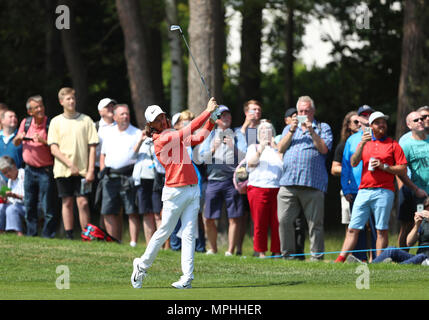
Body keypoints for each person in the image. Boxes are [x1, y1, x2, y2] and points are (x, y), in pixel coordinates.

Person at [131, 97, 218, 290]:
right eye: (157, 120)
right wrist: (207, 111)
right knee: (164, 231)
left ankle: (187, 278)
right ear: (151, 126)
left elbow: (199, 137)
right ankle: (142, 265)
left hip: (192, 189)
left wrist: (212, 121)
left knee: (188, 234)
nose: (162, 121)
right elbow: (189, 130)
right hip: (174, 191)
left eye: (162, 117)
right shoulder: (161, 139)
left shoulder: (172, 133)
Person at [335, 111, 407, 262]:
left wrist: (385, 167)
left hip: (384, 191)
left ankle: (378, 261)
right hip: (363, 190)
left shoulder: (393, 144)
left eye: (384, 122)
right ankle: (340, 259)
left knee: (381, 230)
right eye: (378, 122)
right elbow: (354, 162)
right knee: (353, 227)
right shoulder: (364, 143)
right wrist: (362, 144)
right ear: (371, 126)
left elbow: (402, 168)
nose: (382, 125)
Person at [277, 96, 333, 261]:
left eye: (306, 111)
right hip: (288, 182)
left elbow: (324, 149)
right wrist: (292, 130)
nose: (303, 114)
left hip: (312, 183)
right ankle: (287, 256)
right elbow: (280, 148)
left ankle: (316, 257)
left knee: (315, 224)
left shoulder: (323, 128)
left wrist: (311, 131)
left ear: (313, 111)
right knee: (284, 220)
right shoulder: (289, 129)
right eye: (300, 111)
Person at [47, 87, 99, 240]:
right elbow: (54, 149)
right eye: (68, 99)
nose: (71, 101)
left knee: (83, 202)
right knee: (67, 202)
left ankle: (86, 235)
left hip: (83, 170)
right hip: (63, 170)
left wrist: (90, 170)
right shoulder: (56, 122)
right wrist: (70, 164)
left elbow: (93, 147)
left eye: (73, 99)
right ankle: (69, 235)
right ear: (61, 102)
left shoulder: (86, 120)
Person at [199, 105, 245, 256]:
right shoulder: (210, 136)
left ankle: (230, 251)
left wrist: (232, 147)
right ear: (217, 120)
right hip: (213, 180)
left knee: (235, 217)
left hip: (232, 181)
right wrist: (213, 148)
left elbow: (245, 158)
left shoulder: (238, 135)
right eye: (223, 115)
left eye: (228, 115)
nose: (226, 118)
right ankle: (213, 248)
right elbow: (200, 159)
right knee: (208, 218)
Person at [13, 95, 57, 238]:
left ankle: (48, 235)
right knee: (29, 204)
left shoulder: (50, 124)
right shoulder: (25, 123)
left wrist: (43, 140)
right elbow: (16, 142)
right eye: (36, 107)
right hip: (29, 170)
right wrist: (18, 138)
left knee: (47, 206)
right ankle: (31, 234)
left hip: (45, 170)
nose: (40, 109)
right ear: (30, 111)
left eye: (41, 106)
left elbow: (56, 146)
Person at [340, 105, 378, 261]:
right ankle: (360, 258)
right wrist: (346, 188)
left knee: (377, 227)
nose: (366, 117)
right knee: (358, 227)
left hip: (376, 188)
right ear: (359, 118)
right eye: (363, 115)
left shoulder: (379, 137)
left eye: (370, 114)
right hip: (356, 189)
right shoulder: (351, 140)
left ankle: (378, 258)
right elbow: (346, 167)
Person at [99, 104, 141, 243]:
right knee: (109, 210)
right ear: (115, 117)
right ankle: (113, 241)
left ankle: (133, 242)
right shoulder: (108, 133)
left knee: (131, 211)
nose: (125, 116)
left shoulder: (136, 133)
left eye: (127, 114)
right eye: (122, 114)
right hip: (110, 176)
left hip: (128, 176)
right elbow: (103, 154)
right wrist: (102, 171)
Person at [169, 110, 206, 253]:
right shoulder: (174, 141)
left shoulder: (196, 141)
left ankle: (199, 246)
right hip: (179, 182)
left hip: (196, 181)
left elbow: (202, 159)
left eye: (191, 119)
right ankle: (176, 245)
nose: (187, 123)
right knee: (177, 214)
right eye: (183, 121)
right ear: (176, 126)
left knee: (195, 214)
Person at [246, 121, 282, 257]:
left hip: (277, 188)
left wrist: (276, 147)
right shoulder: (253, 147)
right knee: (259, 222)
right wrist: (261, 147)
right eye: (262, 130)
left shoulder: (278, 148)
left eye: (269, 130)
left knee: (277, 222)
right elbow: (251, 163)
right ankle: (260, 252)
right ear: (258, 134)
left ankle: (277, 251)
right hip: (258, 188)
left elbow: (284, 164)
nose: (266, 132)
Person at [396, 110, 429, 249]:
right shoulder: (406, 144)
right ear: (409, 125)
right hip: (417, 194)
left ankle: (423, 255)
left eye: (421, 118)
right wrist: (415, 189)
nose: (420, 121)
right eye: (415, 120)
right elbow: (400, 171)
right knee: (411, 224)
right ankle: (402, 255)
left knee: (426, 225)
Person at [234, 100, 262, 255]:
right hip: (242, 178)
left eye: (258, 110)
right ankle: (237, 249)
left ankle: (256, 249)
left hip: (258, 177)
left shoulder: (263, 130)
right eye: (253, 110)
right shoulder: (238, 131)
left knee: (255, 216)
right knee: (241, 216)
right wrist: (246, 125)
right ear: (246, 112)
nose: (256, 112)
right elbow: (236, 152)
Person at [372, 197, 429, 265]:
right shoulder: (423, 222)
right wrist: (416, 226)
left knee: (421, 257)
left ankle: (393, 268)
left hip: (425, 258)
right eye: (426, 207)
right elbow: (409, 243)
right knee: (391, 250)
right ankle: (371, 266)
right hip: (419, 256)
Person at [331, 111, 360, 230]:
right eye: (356, 122)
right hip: (349, 189)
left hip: (366, 188)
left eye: (361, 121)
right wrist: (352, 168)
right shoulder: (343, 145)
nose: (359, 124)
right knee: (352, 227)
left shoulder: (371, 143)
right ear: (348, 125)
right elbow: (334, 168)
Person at [93, 98, 117, 225]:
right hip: (98, 170)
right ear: (100, 111)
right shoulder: (94, 126)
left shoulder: (120, 126)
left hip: (114, 169)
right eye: (107, 107)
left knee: (113, 205)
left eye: (112, 106)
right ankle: (99, 232)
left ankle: (109, 236)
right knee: (100, 203)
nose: (111, 109)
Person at [0, 156, 25, 236]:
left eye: (7, 172)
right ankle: (2, 231)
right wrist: (4, 198)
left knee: (11, 209)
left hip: (28, 205)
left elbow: (29, 198)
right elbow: (9, 199)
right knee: (1, 206)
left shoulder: (24, 174)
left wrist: (14, 195)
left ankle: (19, 233)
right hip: (16, 205)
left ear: (14, 166)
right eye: (4, 173)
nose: (6, 175)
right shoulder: (9, 181)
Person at [0, 110, 23, 177]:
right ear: (2, 120)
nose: (14, 118)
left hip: (18, 180)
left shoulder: (21, 137)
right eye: (10, 117)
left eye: (15, 117)